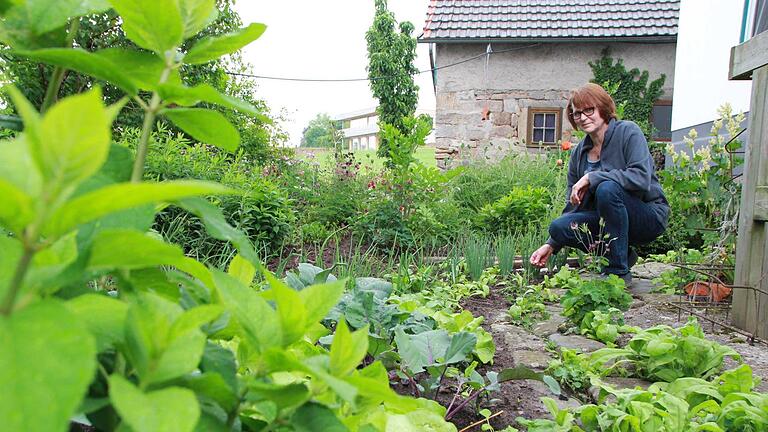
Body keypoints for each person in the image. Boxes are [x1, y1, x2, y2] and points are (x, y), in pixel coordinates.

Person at [529, 83, 669, 284]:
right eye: (577, 114)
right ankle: (623, 254)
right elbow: (574, 204)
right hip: (609, 220)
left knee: (607, 189)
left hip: (647, 216)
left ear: (603, 109)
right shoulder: (579, 154)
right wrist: (550, 245)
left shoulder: (628, 132)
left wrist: (592, 178)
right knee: (559, 227)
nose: (583, 117)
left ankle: (617, 272)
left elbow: (640, 178)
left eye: (589, 110)